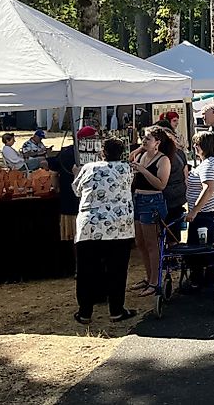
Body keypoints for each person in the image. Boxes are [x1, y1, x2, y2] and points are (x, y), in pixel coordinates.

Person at [71, 137, 137, 324]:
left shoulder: (88, 168)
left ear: (102, 152)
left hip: (90, 226)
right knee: (117, 269)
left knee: (86, 270)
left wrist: (77, 172)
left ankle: (85, 311)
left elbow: (76, 190)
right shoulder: (126, 169)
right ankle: (116, 309)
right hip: (119, 227)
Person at [130, 126, 173, 297]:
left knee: (151, 244)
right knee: (140, 243)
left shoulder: (163, 160)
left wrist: (143, 170)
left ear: (157, 143)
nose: (144, 141)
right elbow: (130, 158)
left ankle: (155, 281)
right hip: (138, 200)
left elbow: (161, 184)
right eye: (144, 138)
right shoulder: (141, 155)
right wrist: (140, 149)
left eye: (148, 138)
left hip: (152, 201)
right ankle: (148, 277)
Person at [184, 131, 214, 288]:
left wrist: (194, 210)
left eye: (197, 144)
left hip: (205, 213)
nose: (195, 147)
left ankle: (200, 279)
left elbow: (208, 188)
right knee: (210, 245)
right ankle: (209, 276)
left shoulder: (208, 164)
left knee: (199, 247)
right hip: (212, 209)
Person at [49, 126, 95, 242]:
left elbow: (53, 173)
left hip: (69, 198)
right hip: (87, 201)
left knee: (74, 237)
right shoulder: (96, 153)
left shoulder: (64, 153)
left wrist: (57, 188)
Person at [150, 119, 188, 245]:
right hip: (178, 197)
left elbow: (160, 182)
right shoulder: (180, 153)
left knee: (163, 232)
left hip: (166, 198)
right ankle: (174, 254)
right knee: (174, 232)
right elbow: (185, 176)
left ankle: (167, 254)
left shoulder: (161, 157)